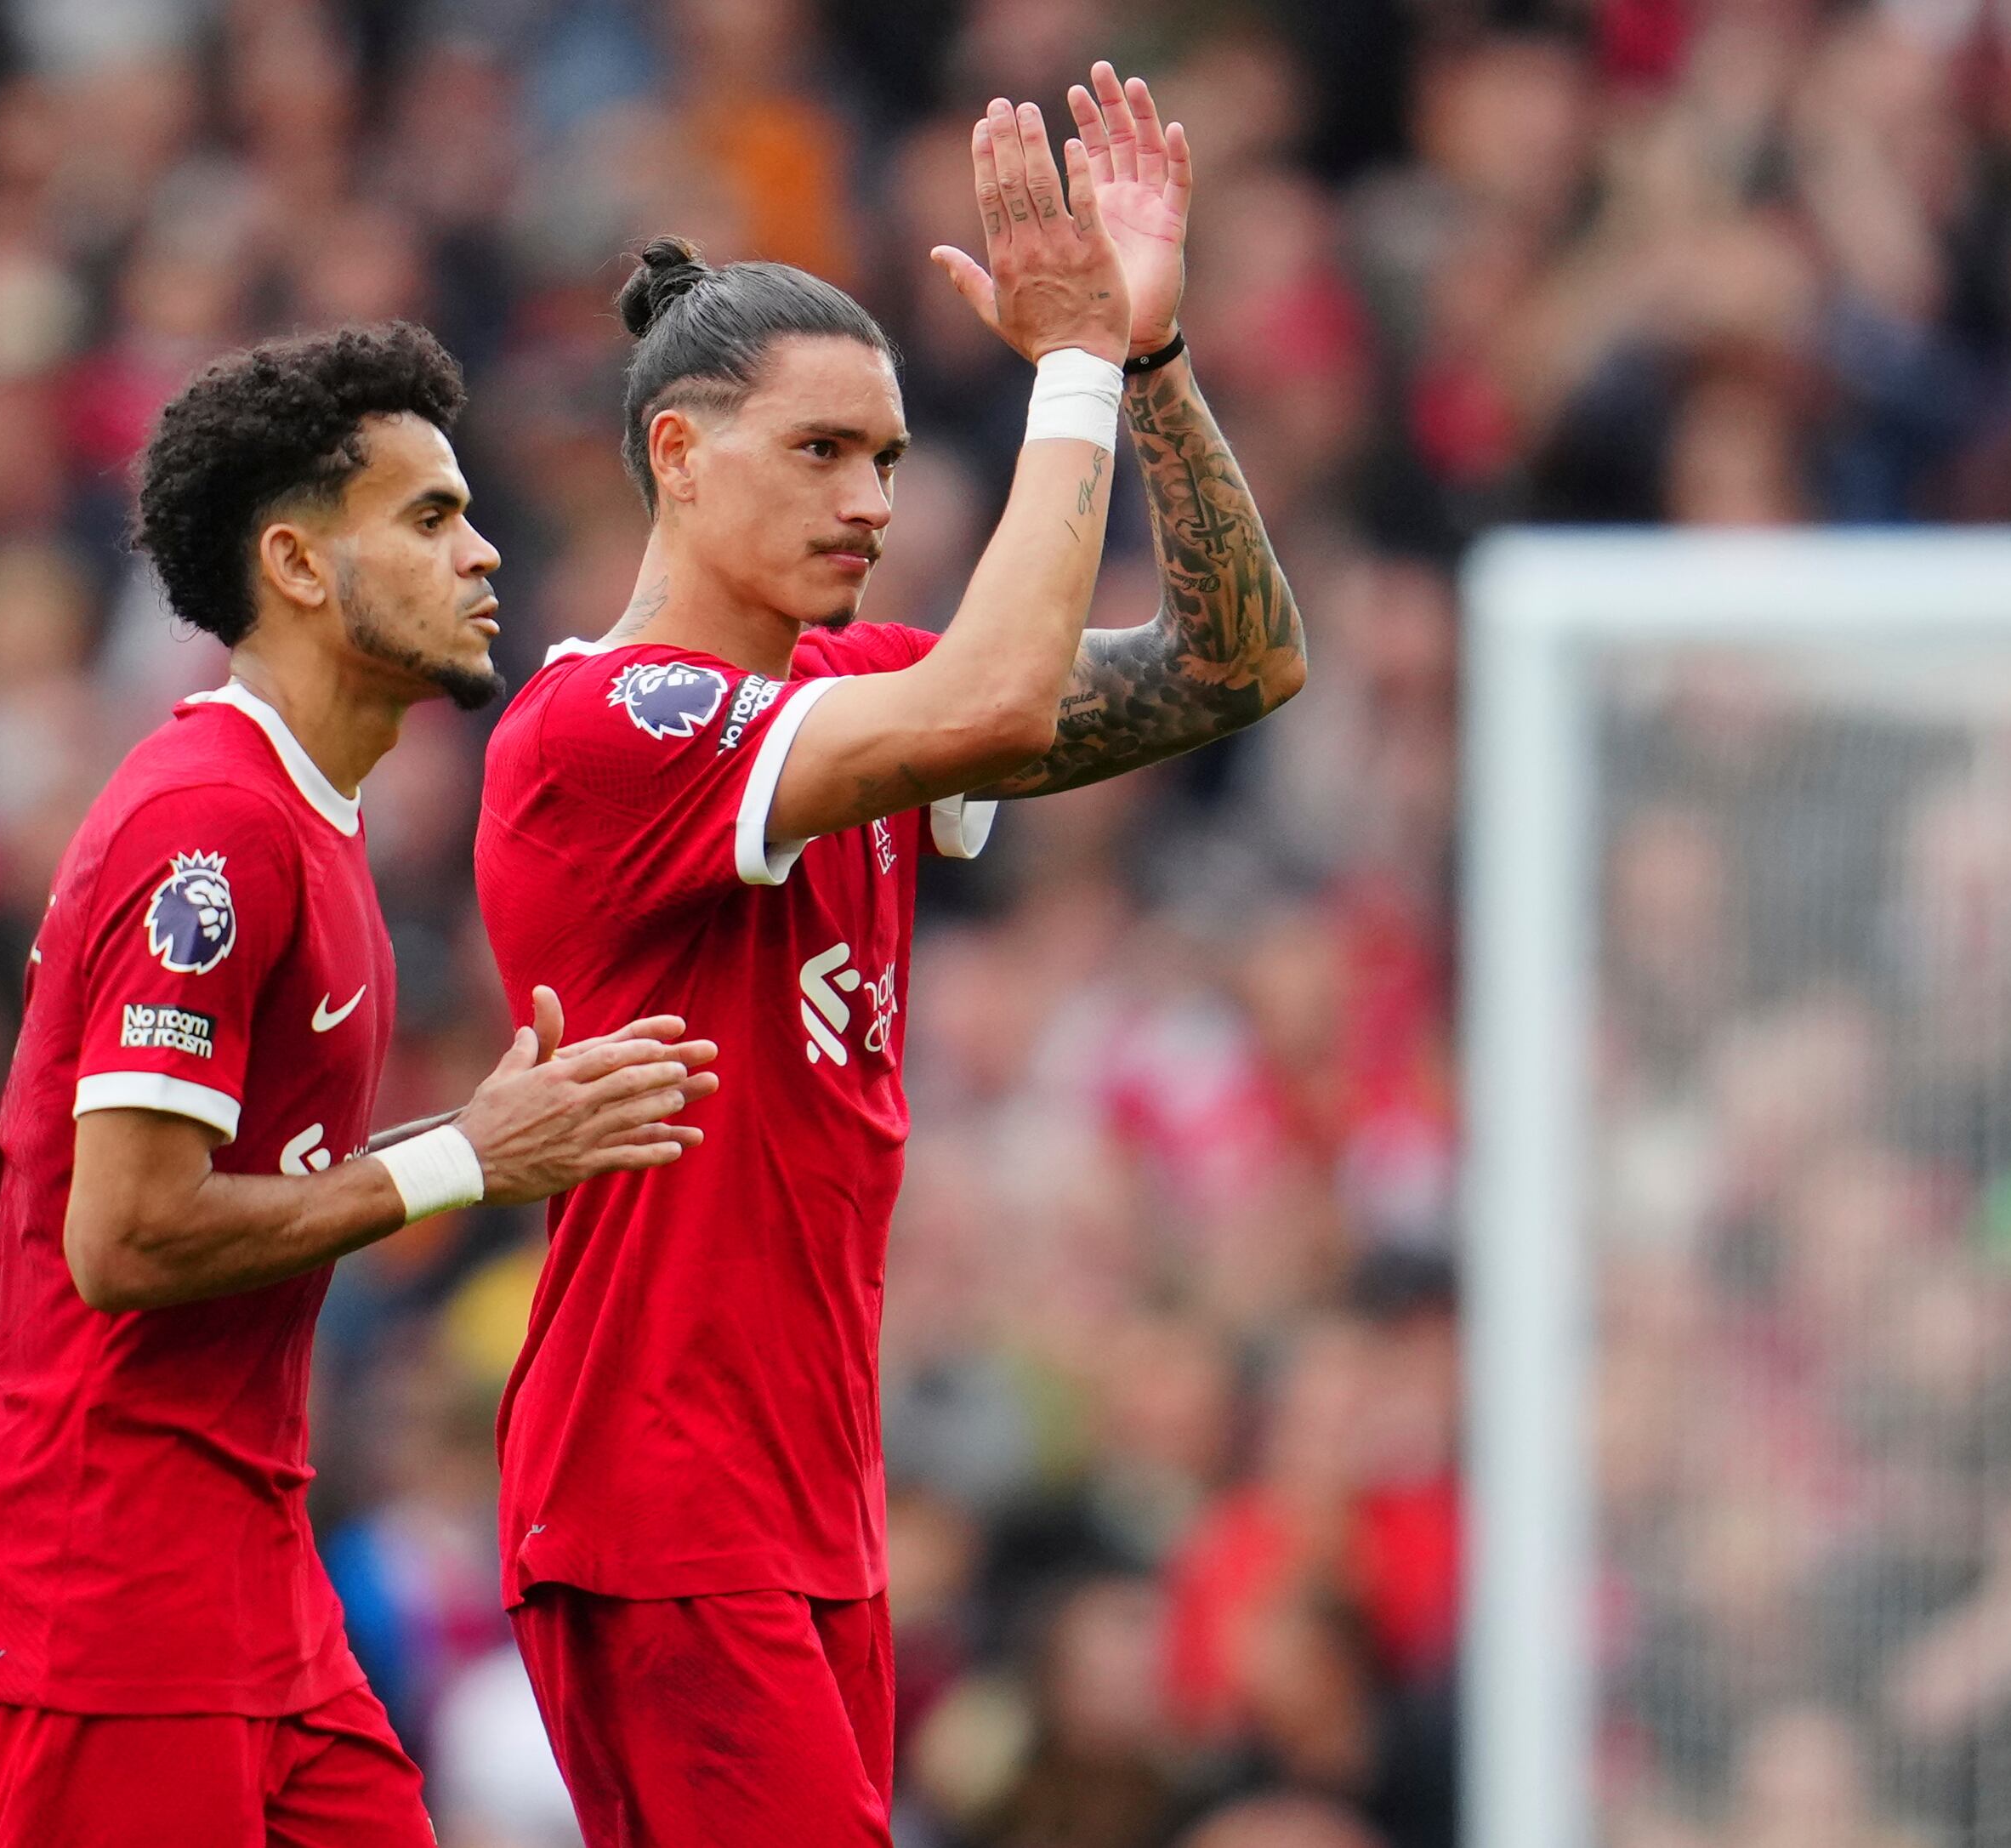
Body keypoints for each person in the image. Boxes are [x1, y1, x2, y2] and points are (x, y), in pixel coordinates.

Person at [473, 70, 1305, 1846]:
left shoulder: (850, 702)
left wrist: (1148, 368)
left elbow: (1235, 664)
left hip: (805, 1506)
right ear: (677, 456)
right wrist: (1068, 367)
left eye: (890, 460)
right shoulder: (610, 725)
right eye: (821, 451)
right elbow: (1002, 690)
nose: (870, 501)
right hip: (662, 1508)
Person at [0, 321, 719, 1848]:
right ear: (293, 563)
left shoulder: (309, 818)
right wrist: (463, 1159)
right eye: (429, 517)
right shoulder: (209, 832)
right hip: (100, 1580)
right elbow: (124, 1238)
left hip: (241, 1560)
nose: (483, 556)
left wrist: (495, 1141)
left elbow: (229, 1183)